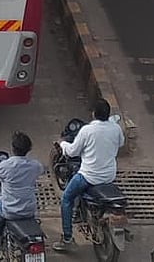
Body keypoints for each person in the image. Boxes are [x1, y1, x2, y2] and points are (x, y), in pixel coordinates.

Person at [53, 98, 125, 252]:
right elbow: (120, 144)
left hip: (88, 177)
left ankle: (67, 239)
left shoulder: (87, 130)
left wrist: (62, 144)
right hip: (109, 176)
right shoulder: (116, 129)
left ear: (94, 114)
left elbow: (72, 151)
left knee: (66, 198)